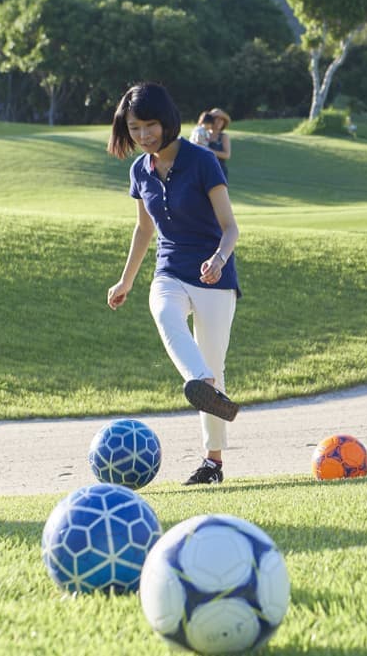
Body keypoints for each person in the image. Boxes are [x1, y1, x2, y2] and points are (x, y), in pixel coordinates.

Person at [106, 83, 242, 486]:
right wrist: (125, 279)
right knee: (164, 312)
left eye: (150, 125)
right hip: (170, 269)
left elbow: (230, 227)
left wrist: (219, 260)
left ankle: (212, 463)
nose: (144, 135)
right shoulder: (138, 171)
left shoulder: (202, 161)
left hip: (215, 277)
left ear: (167, 121)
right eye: (135, 128)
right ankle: (200, 383)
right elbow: (143, 229)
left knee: (214, 366)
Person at [203, 108, 231, 177]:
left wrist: (209, 151)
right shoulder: (202, 133)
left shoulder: (223, 136)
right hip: (203, 170)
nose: (220, 121)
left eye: (222, 119)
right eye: (217, 118)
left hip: (218, 171)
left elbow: (227, 155)